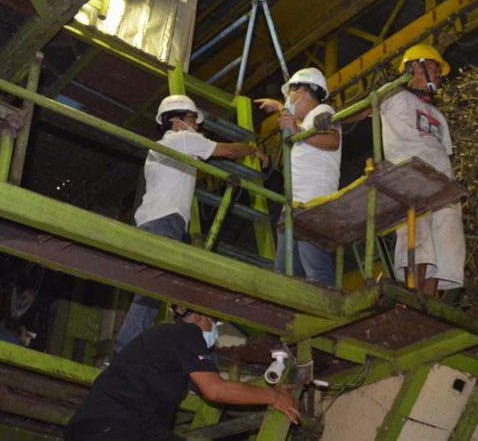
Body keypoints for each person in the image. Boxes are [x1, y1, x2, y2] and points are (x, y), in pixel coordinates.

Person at [113, 94, 268, 352]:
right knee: (153, 291)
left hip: (156, 222)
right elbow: (229, 151)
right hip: (166, 222)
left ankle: (151, 350)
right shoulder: (182, 139)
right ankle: (124, 351)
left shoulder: (165, 147)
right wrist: (252, 149)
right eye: (192, 119)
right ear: (176, 122)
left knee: (164, 290)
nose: (196, 126)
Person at [66, 306, 300, 440]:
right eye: (213, 323)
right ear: (197, 316)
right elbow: (215, 389)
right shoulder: (186, 333)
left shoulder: (158, 348)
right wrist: (274, 397)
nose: (215, 331)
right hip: (116, 428)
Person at [381, 44, 466, 297]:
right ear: (414, 68)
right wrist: (328, 121)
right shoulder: (393, 95)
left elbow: (442, 152)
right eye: (432, 66)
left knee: (446, 243)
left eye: (438, 69)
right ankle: (413, 297)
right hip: (411, 174)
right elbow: (365, 109)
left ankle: (431, 304)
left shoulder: (439, 115)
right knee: (418, 236)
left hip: (444, 184)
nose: (438, 73)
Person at [255, 68, 341, 287]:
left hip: (313, 204)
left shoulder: (323, 111)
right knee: (285, 277)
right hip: (294, 207)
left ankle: (325, 306)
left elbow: (332, 140)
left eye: (290, 95)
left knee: (316, 272)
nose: (289, 102)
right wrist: (283, 110)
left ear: (302, 91)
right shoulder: (305, 123)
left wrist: (296, 131)